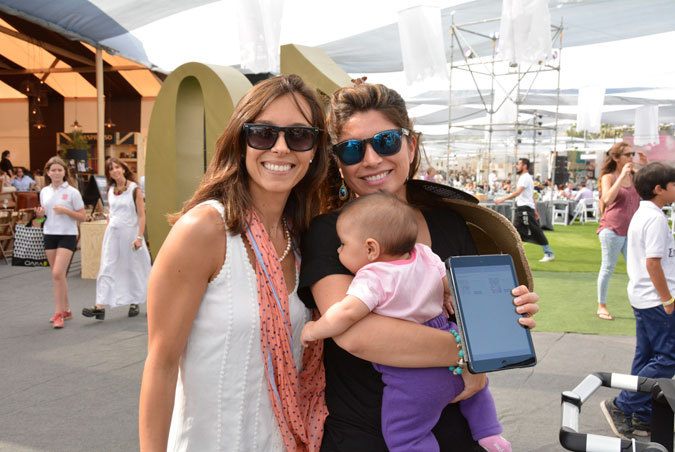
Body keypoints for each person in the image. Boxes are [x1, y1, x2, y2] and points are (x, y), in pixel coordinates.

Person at [298, 82, 539, 451]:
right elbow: (357, 335)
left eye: (386, 141)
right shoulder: (330, 233)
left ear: (411, 145)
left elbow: (472, 315)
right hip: (369, 436)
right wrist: (472, 352)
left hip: (460, 433)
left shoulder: (451, 224)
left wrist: (508, 315)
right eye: (351, 149)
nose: (371, 159)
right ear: (338, 164)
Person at [139, 75, 329, 451]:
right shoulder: (206, 229)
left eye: (298, 135)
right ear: (240, 141)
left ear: (314, 150)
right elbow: (160, 366)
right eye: (262, 133)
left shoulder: (305, 237)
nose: (280, 148)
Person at [301, 192, 510, 452]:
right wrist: (469, 349)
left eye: (342, 245)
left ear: (371, 248)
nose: (338, 249)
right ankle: (490, 433)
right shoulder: (423, 254)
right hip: (446, 332)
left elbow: (344, 315)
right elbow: (456, 288)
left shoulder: (372, 277)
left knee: (403, 433)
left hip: (412, 375)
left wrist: (314, 329)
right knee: (478, 396)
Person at [601, 162, 675, 440]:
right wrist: (667, 298)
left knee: (646, 358)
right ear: (659, 189)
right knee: (668, 358)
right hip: (655, 298)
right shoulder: (654, 218)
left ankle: (641, 414)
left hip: (644, 296)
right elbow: (653, 263)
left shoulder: (646, 214)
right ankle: (623, 406)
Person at [82, 158, 151, 321]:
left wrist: (139, 237)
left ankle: (135, 301)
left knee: (132, 267)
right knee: (107, 266)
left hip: (131, 233)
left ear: (123, 169)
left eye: (117, 167)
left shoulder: (135, 189)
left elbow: (141, 215)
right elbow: (111, 212)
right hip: (113, 234)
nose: (114, 171)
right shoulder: (111, 190)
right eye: (111, 169)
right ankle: (99, 305)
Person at [595, 142, 647, 320]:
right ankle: (601, 305)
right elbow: (607, 199)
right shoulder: (609, 177)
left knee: (637, 268)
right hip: (612, 228)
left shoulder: (635, 176)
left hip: (631, 230)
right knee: (608, 267)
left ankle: (642, 305)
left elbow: (652, 190)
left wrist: (646, 168)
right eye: (627, 155)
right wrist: (621, 176)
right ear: (616, 158)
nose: (631, 157)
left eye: (633, 154)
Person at [35, 156, 86, 329]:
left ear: (65, 172)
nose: (56, 173)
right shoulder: (44, 192)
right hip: (49, 234)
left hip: (67, 235)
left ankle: (58, 313)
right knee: (59, 275)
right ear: (48, 173)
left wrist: (65, 211)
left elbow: (83, 216)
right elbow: (42, 220)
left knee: (57, 273)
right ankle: (66, 309)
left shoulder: (72, 192)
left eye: (59, 170)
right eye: (53, 170)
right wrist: (40, 216)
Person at [495, 158, 555, 263]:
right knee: (515, 231)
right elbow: (531, 195)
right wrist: (535, 210)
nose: (516, 166)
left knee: (535, 230)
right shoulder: (525, 178)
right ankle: (511, 254)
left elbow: (518, 192)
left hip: (525, 209)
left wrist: (502, 199)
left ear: (525, 166)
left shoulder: (525, 178)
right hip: (523, 209)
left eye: (518, 164)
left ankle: (548, 252)